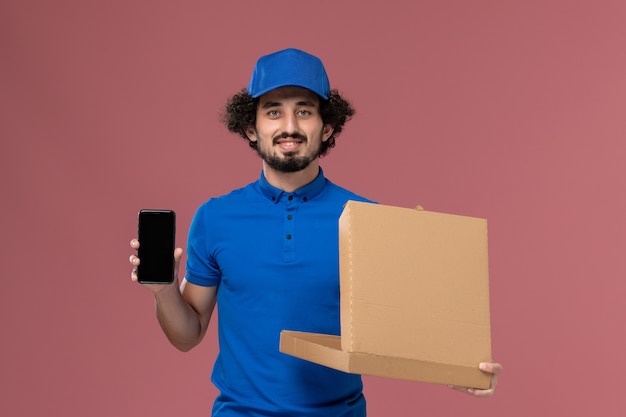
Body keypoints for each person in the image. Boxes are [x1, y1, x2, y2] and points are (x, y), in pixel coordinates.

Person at [129, 48, 502, 416]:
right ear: (251, 127)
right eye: (273, 112)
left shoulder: (366, 219)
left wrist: (463, 367)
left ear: (327, 128)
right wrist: (164, 291)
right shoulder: (214, 218)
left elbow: (411, 324)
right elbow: (187, 335)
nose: (289, 127)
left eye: (303, 112)